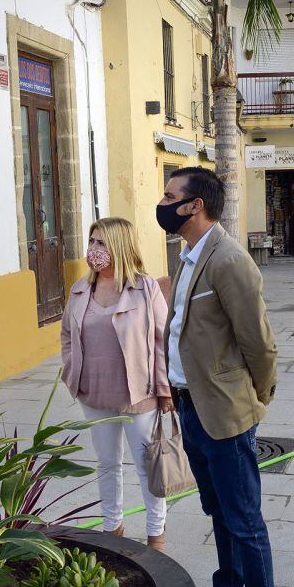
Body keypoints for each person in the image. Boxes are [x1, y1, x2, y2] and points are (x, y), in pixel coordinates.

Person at [159, 167, 279, 587]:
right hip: (191, 404)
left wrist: (259, 395)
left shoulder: (230, 259)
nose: (162, 203)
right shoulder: (187, 255)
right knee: (217, 508)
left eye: (170, 196)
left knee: (244, 519)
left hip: (225, 411)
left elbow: (258, 339)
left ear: (195, 206)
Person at [61, 217, 173, 552]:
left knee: (147, 466)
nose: (93, 250)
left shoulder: (145, 287)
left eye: (101, 244)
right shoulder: (81, 289)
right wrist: (72, 370)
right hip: (94, 394)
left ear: (119, 247)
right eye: (91, 242)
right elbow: (67, 334)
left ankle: (156, 536)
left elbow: (161, 340)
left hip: (139, 395)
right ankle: (113, 528)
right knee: (107, 463)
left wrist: (165, 388)